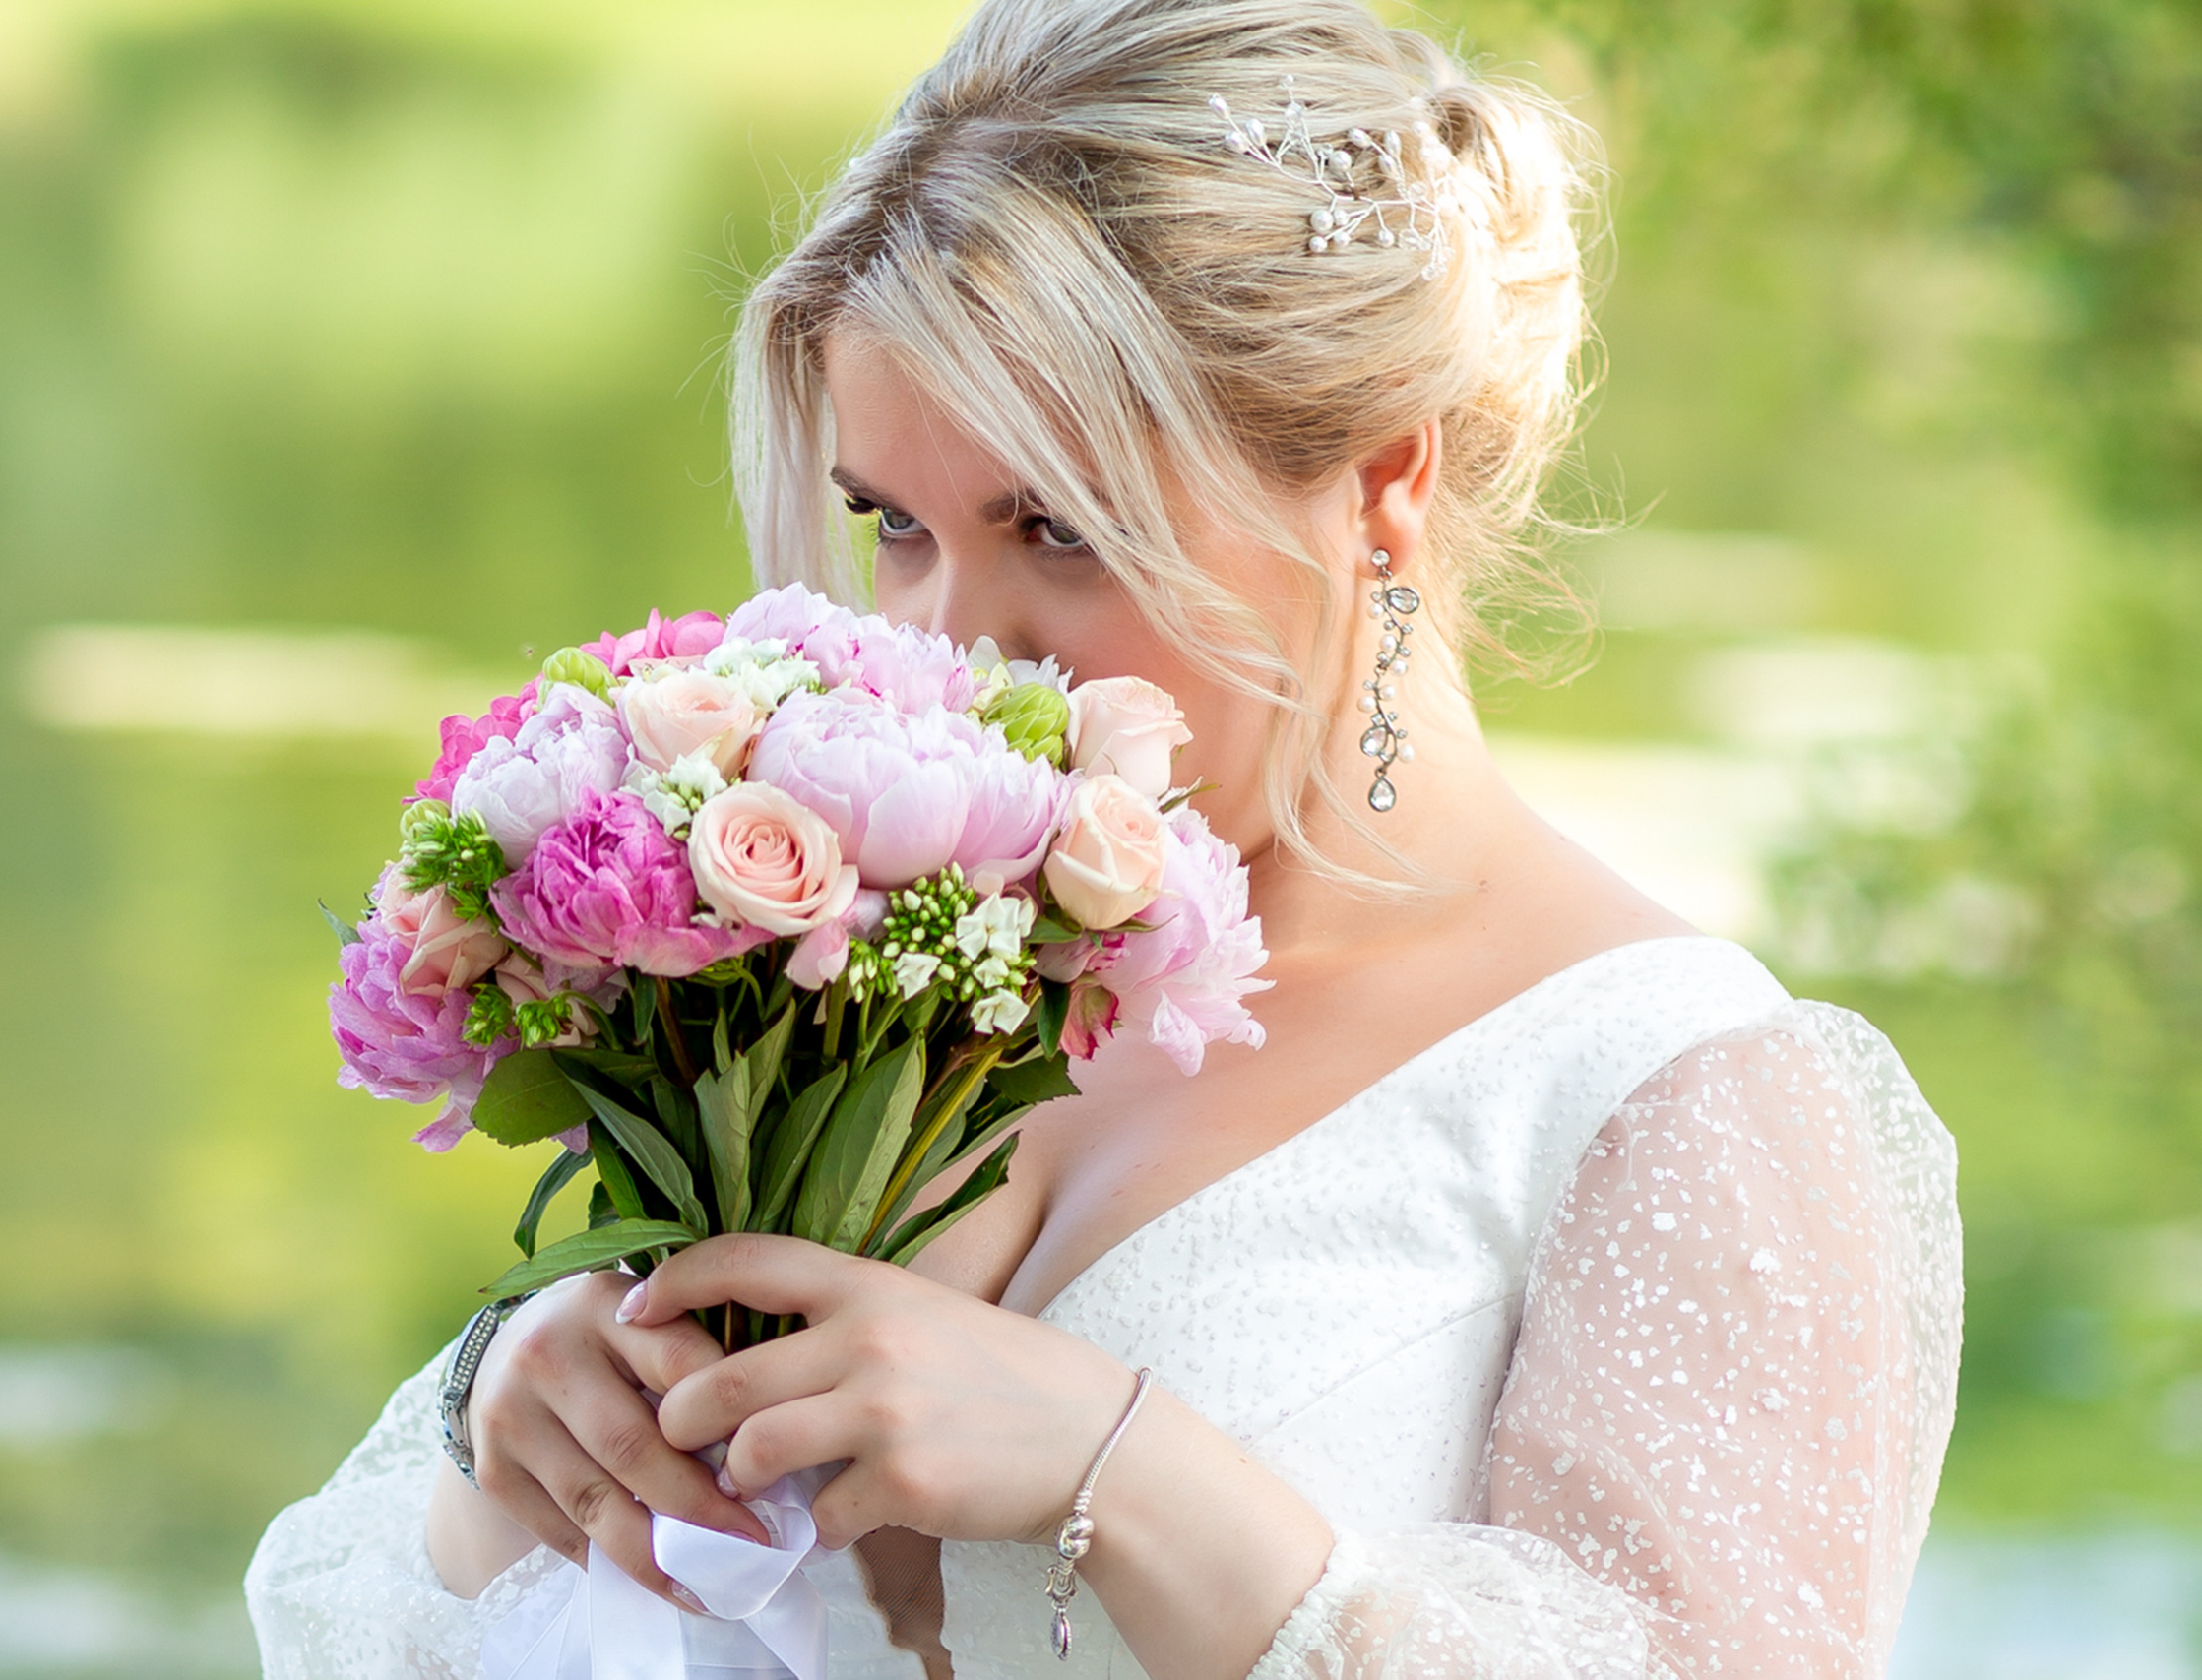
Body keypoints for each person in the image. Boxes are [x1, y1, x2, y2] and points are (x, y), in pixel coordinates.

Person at [244, 0, 1963, 1674]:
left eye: (1058, 526)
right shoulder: (876, 947)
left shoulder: (1686, 1095)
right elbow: (400, 1621)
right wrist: (530, 1427)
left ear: (1383, 481)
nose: (952, 647)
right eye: (894, 526)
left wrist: (1121, 1470)